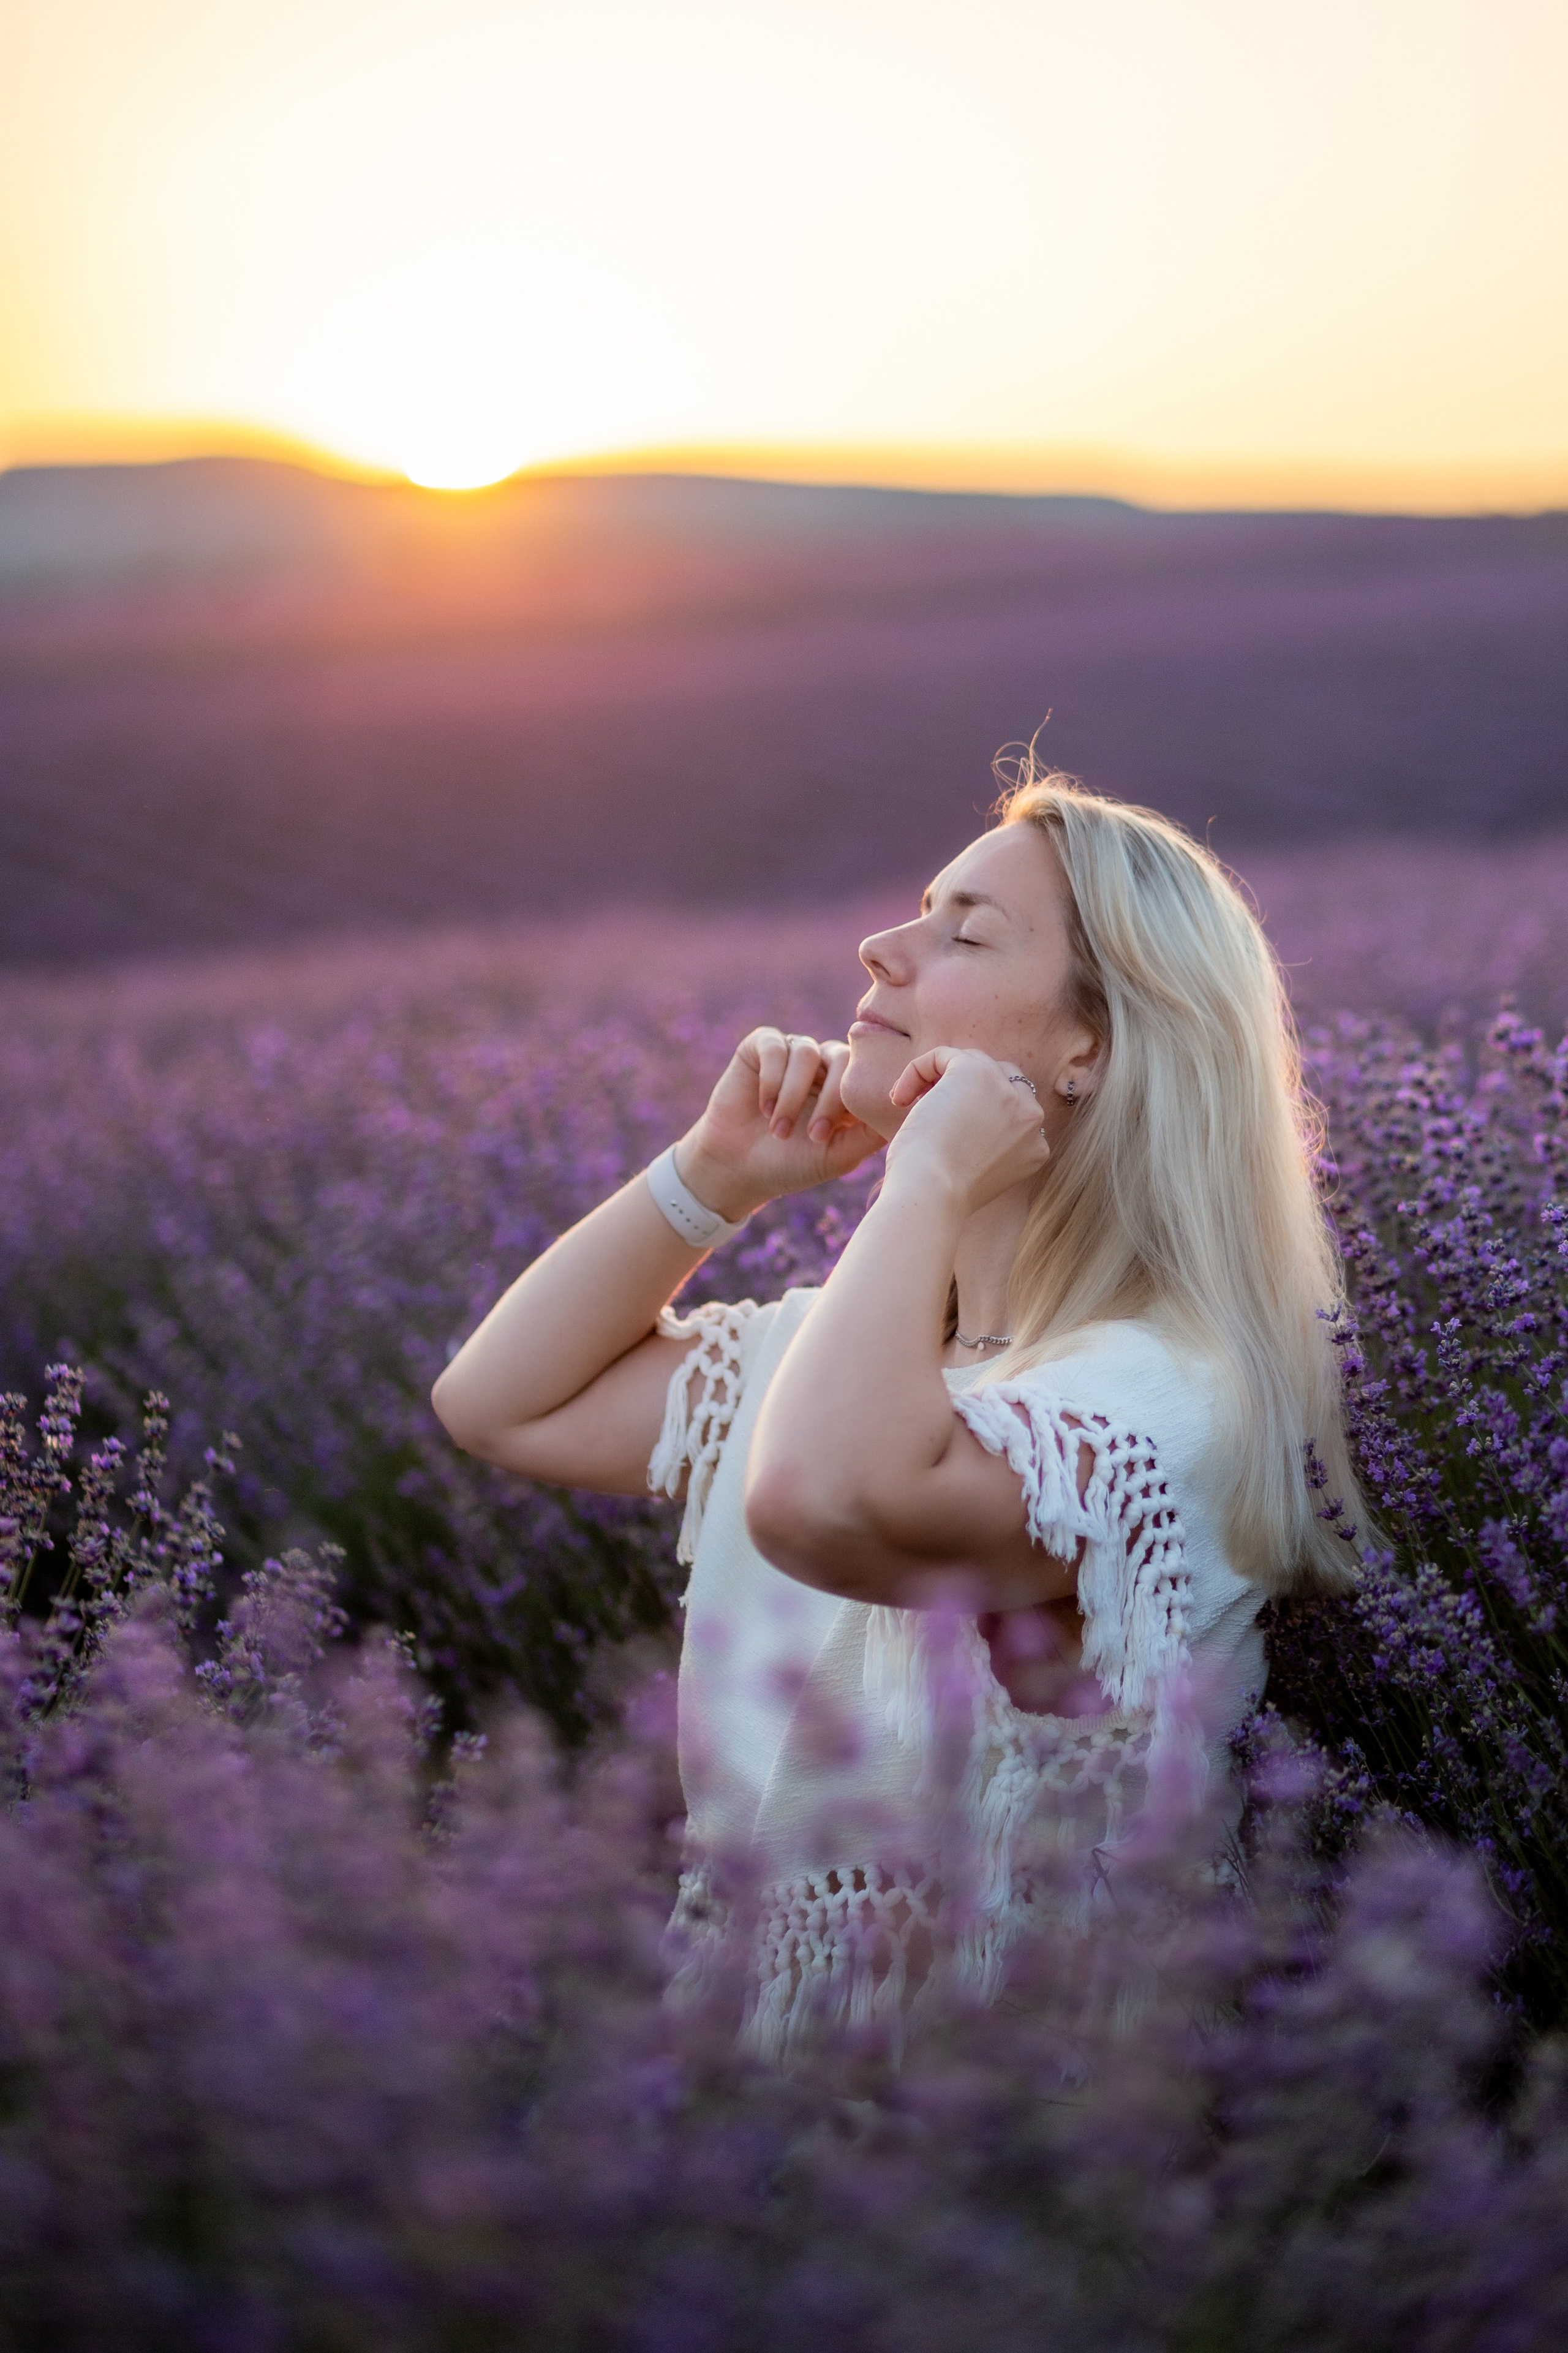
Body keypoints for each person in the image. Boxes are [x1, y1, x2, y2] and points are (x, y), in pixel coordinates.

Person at [432, 765, 1363, 2058]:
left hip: (989, 2121)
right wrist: (713, 1180)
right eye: (918, 908)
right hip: (744, 2061)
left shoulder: (1156, 1400)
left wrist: (918, 1180)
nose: (879, 944)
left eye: (964, 931)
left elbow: (829, 1500)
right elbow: (497, 1403)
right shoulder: (831, 1350)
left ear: (1086, 1047)